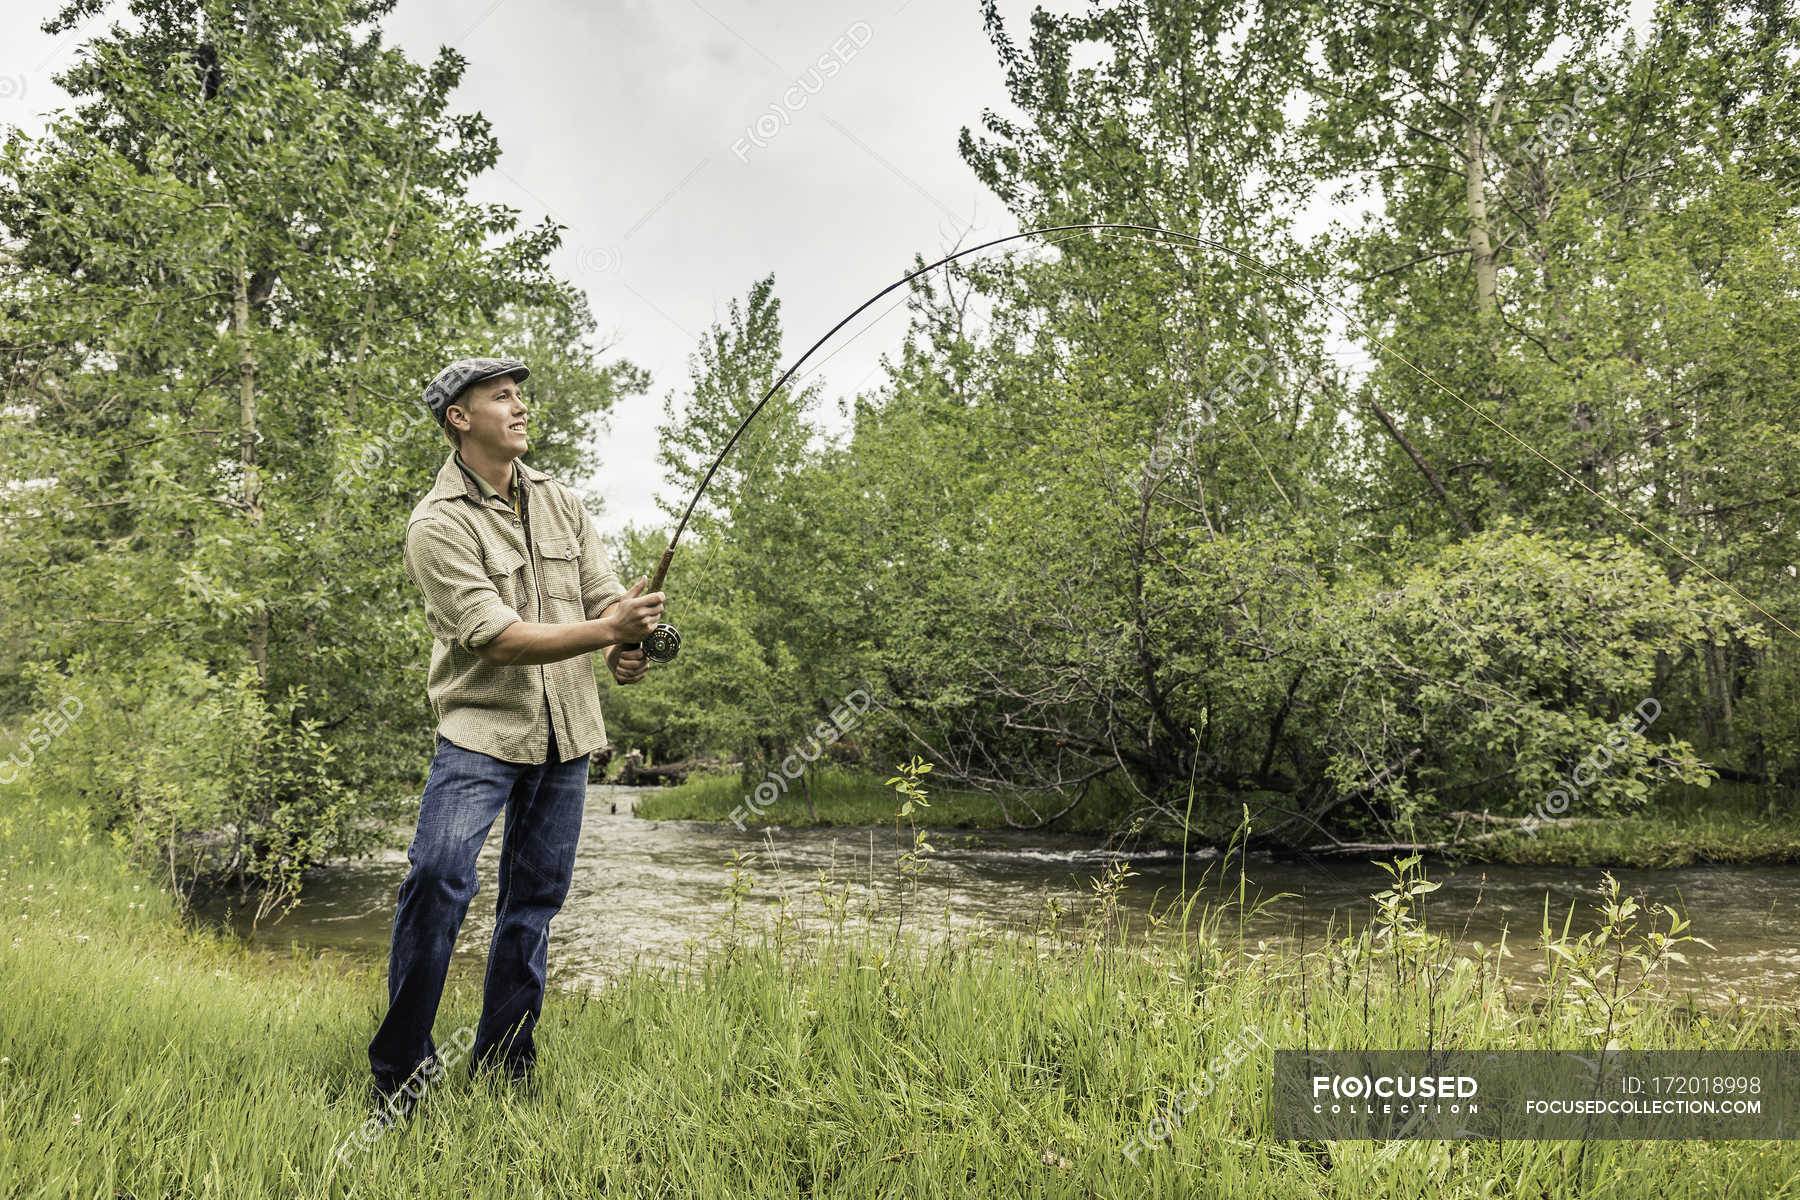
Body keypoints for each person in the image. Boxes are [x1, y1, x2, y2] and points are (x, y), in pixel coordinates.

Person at [365, 357, 664, 1117]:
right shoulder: (436, 524)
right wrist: (606, 627)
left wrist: (622, 647)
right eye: (503, 398)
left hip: (568, 736)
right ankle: (400, 1070)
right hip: (480, 733)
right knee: (437, 879)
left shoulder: (561, 502)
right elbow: (493, 637)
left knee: (532, 904)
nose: (521, 407)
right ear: (460, 419)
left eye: (520, 396)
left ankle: (506, 1065)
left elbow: (601, 599)